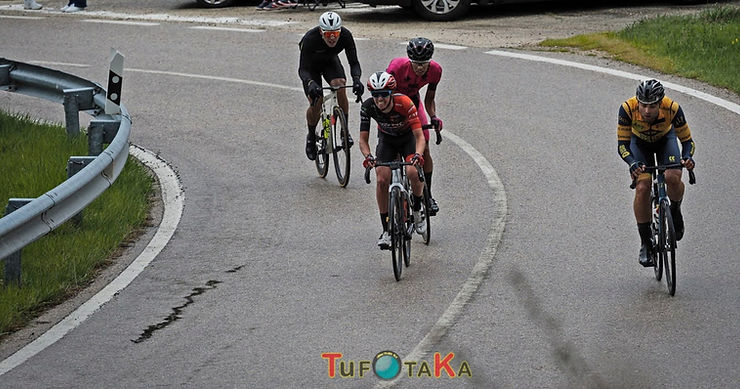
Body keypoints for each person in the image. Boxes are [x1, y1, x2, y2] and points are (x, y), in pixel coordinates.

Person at [617, 79, 695, 267]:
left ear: (660, 103)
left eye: (652, 106)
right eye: (643, 105)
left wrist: (687, 157)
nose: (646, 111)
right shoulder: (627, 108)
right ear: (638, 102)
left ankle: (675, 211)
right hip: (639, 144)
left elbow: (687, 142)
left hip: (665, 141)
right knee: (643, 187)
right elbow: (622, 145)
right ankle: (645, 242)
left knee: (672, 176)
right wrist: (632, 162)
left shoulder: (673, 108)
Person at [359, 71, 426, 250]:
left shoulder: (404, 103)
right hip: (387, 141)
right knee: (381, 179)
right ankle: (386, 230)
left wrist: (418, 155)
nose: (379, 100)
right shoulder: (367, 107)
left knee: (412, 171)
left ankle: (418, 208)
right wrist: (368, 157)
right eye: (375, 95)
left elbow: (419, 136)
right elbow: (363, 140)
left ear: (391, 94)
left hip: (407, 139)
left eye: (384, 95)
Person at [386, 37, 443, 216]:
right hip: (393, 104)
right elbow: (384, 98)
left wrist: (433, 116)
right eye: (416, 64)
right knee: (394, 149)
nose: (419, 68)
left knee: (424, 148)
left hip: (414, 102)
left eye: (423, 64)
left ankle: (428, 196)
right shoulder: (396, 68)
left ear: (430, 61)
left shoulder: (435, 71)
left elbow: (429, 99)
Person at [298, 11, 363, 161]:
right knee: (317, 100)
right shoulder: (310, 39)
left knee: (340, 84)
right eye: (328, 34)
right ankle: (311, 136)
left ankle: (344, 130)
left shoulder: (346, 35)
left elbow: (354, 63)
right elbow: (303, 69)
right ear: (321, 32)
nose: (333, 37)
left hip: (329, 62)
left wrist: (357, 80)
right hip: (311, 68)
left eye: (335, 33)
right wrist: (310, 83)